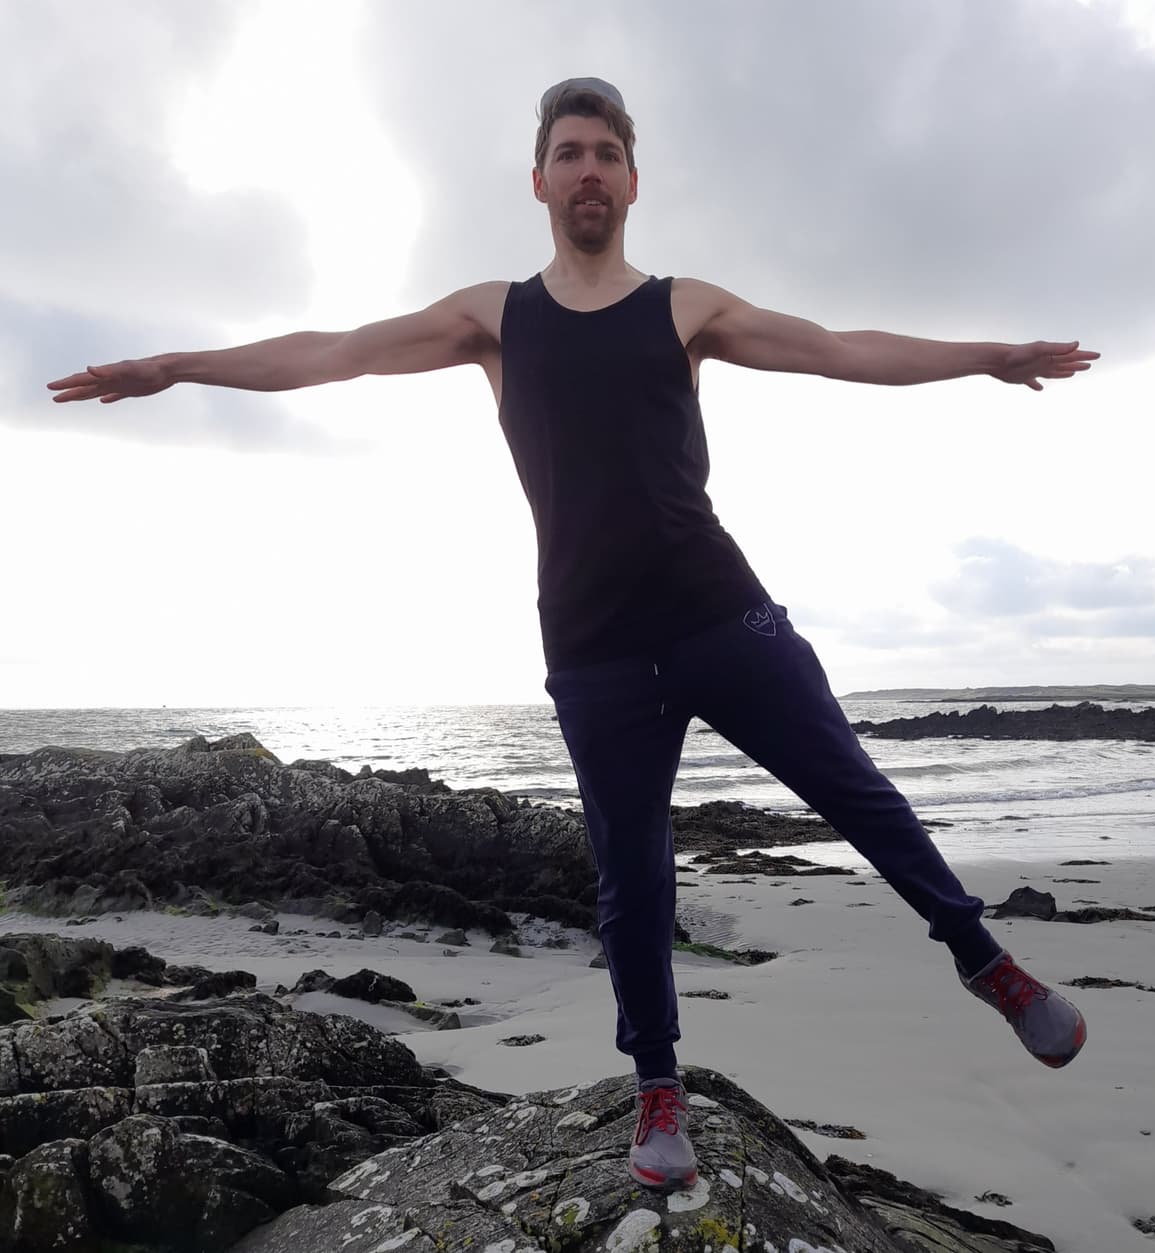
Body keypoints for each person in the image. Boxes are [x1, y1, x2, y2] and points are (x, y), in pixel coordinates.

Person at [48, 77, 1099, 1193]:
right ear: (540, 180)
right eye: (569, 152)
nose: (588, 169)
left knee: (858, 791)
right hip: (595, 648)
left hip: (721, 612)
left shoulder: (685, 308)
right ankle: (658, 1084)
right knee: (630, 876)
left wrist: (985, 355)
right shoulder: (495, 319)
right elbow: (337, 349)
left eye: (605, 152)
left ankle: (988, 963)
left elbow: (836, 346)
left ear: (633, 181)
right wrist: (178, 366)